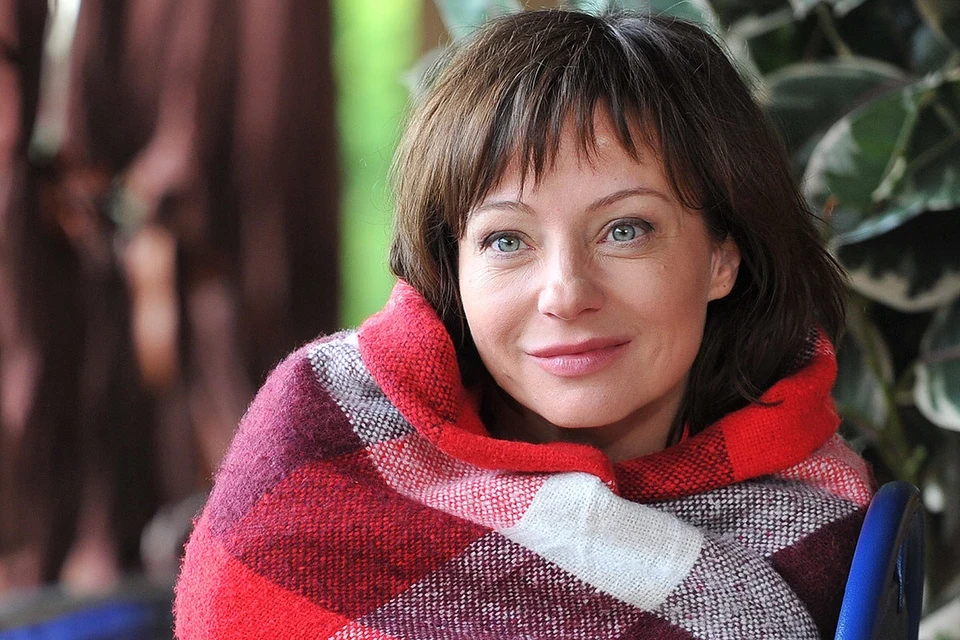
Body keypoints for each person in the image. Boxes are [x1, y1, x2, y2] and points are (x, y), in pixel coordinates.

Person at [174, 9, 873, 639]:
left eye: (625, 229)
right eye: (507, 240)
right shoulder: (320, 440)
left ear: (723, 256)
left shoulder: (817, 532)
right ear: (452, 268)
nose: (566, 294)